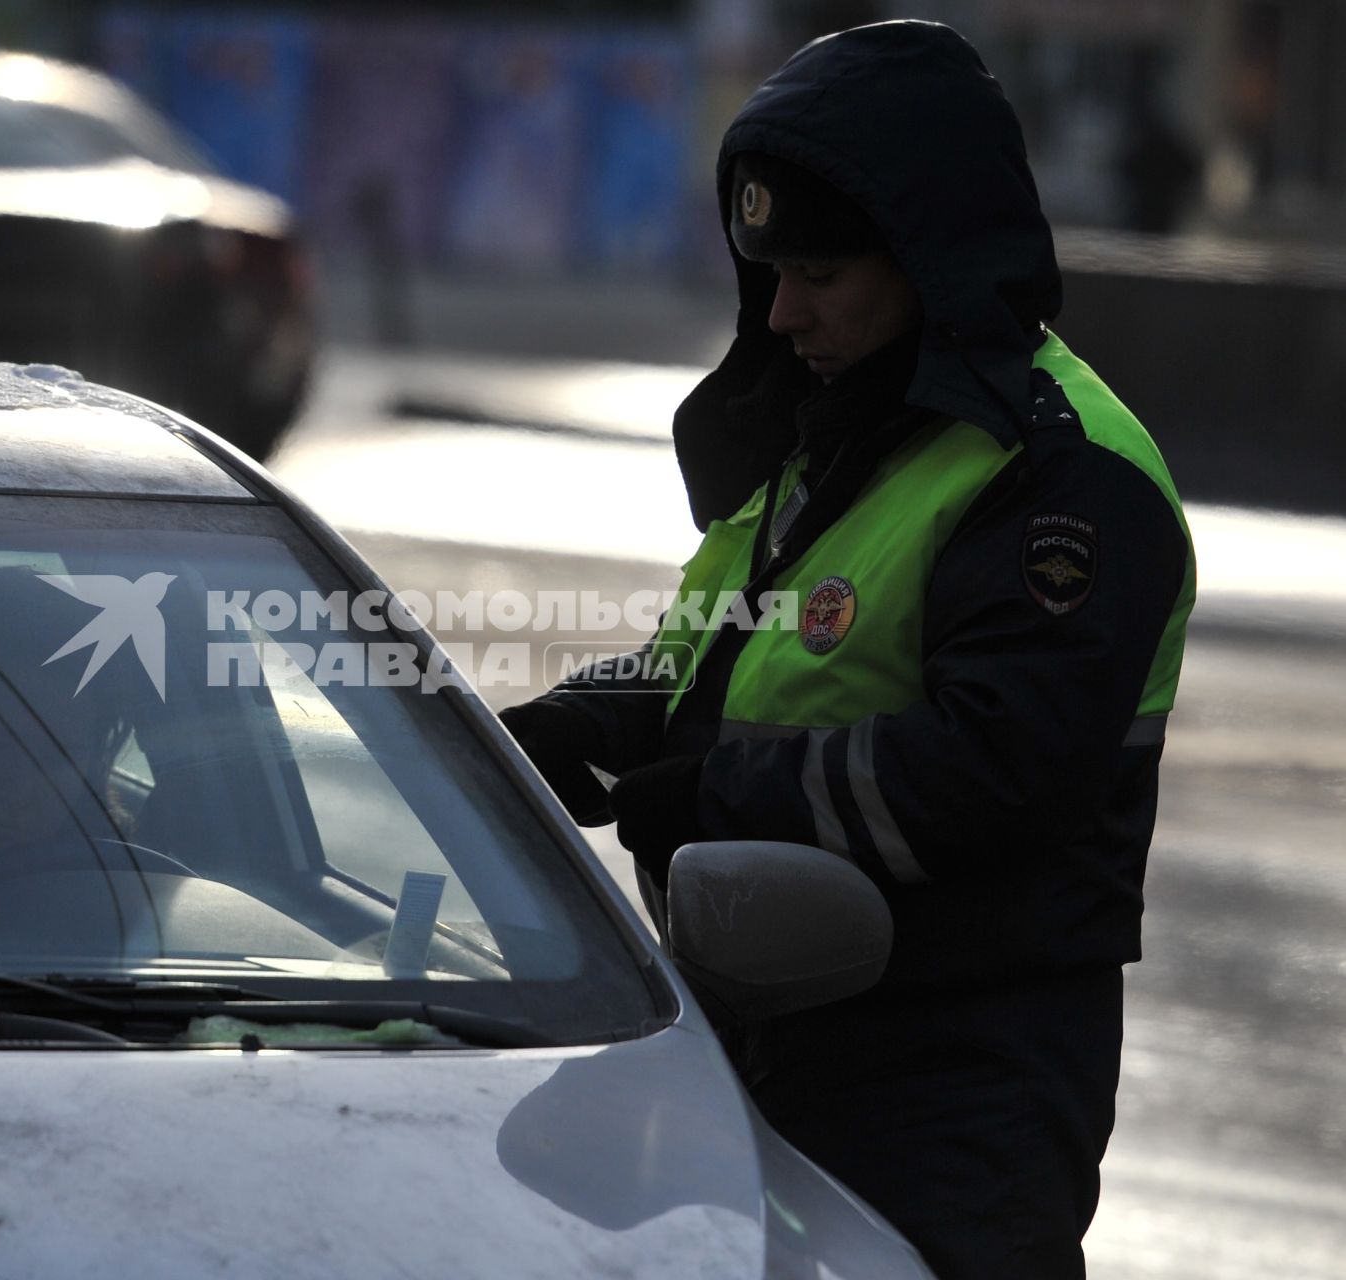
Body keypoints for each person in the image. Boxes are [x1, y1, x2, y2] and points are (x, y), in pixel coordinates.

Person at [497, 21, 1195, 1279]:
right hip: (764, 1036)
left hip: (957, 1080)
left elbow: (991, 770)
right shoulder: (839, 429)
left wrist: (697, 798)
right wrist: (546, 740)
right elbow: (706, 663)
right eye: (765, 268)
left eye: (819, 270)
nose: (781, 307)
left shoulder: (1061, 479)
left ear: (930, 257)